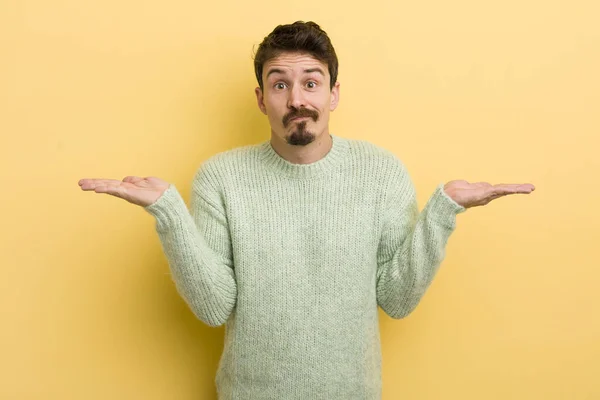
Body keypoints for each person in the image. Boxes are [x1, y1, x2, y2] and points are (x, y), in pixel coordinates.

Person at [78, 21, 535, 400]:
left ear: (333, 94)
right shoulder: (220, 177)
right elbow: (215, 308)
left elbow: (397, 299)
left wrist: (443, 212)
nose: (297, 98)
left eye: (311, 82)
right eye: (280, 84)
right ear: (261, 98)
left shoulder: (381, 171)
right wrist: (169, 214)